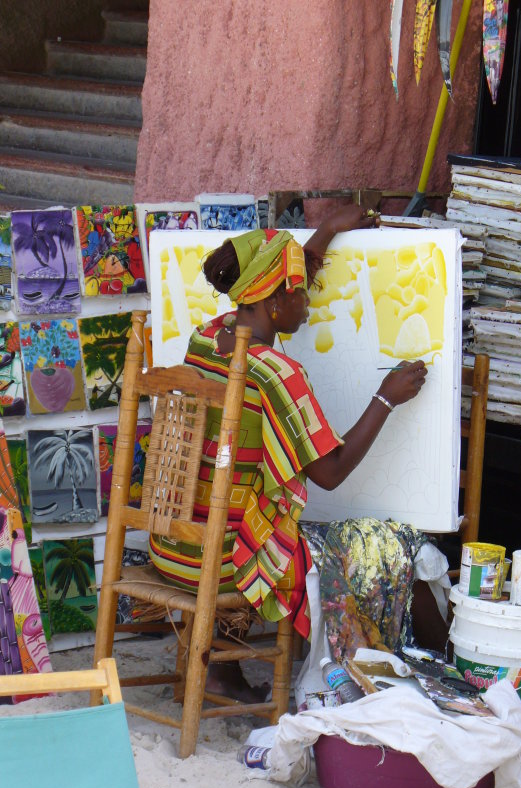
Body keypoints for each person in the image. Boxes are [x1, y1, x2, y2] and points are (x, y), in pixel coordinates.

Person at [149, 206, 442, 700]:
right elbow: (330, 473)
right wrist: (386, 397)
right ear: (277, 300)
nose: (309, 304)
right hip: (224, 560)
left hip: (172, 546)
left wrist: (325, 233)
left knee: (253, 505)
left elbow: (278, 291)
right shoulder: (275, 374)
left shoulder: (208, 337)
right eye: (302, 293)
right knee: (396, 549)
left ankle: (223, 668)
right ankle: (442, 665)